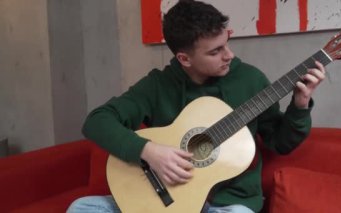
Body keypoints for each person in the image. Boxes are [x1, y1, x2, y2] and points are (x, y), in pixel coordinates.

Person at [67, 0, 326, 212]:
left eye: (227, 42)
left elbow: (280, 143)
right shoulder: (158, 85)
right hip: (165, 199)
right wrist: (149, 151)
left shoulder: (250, 79)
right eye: (215, 52)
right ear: (184, 58)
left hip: (229, 205)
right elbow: (97, 121)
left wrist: (300, 106)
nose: (229, 55)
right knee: (82, 208)